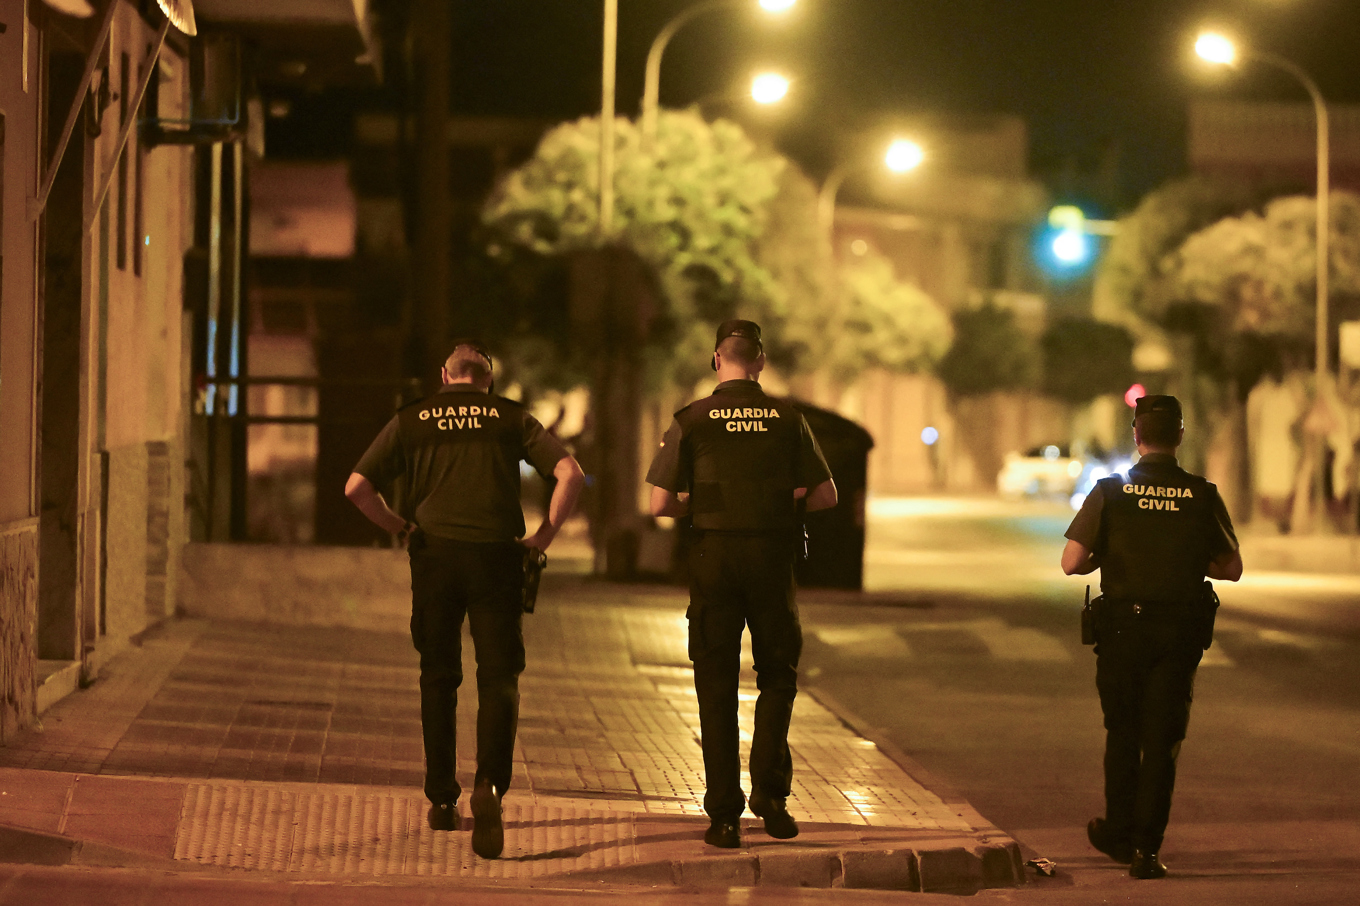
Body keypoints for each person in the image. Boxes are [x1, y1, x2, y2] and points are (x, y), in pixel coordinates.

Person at [345, 340, 585, 859]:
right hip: (497, 558)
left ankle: (441, 799)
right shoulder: (509, 417)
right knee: (499, 676)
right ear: (488, 381)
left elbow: (355, 487)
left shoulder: (414, 418)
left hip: (435, 557)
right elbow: (570, 473)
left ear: (444, 375)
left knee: (438, 676)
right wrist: (543, 537)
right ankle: (490, 787)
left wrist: (400, 527)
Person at [645, 319, 838, 849]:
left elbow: (658, 504)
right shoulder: (787, 418)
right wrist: (780, 500)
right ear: (759, 361)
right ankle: (770, 798)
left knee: (715, 687)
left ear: (716, 360)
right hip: (772, 561)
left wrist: (703, 504)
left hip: (713, 559)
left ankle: (724, 817)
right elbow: (826, 497)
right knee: (778, 676)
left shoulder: (692, 419)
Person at [1061, 394, 1243, 880]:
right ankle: (1146, 852)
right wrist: (1180, 560)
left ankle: (1117, 832)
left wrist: (1117, 555)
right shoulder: (1202, 494)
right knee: (1162, 741)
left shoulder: (1110, 491)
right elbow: (1232, 568)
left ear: (1136, 436)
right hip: (1179, 633)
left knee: (1123, 733)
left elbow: (1072, 563)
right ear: (1180, 437)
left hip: (1122, 630)